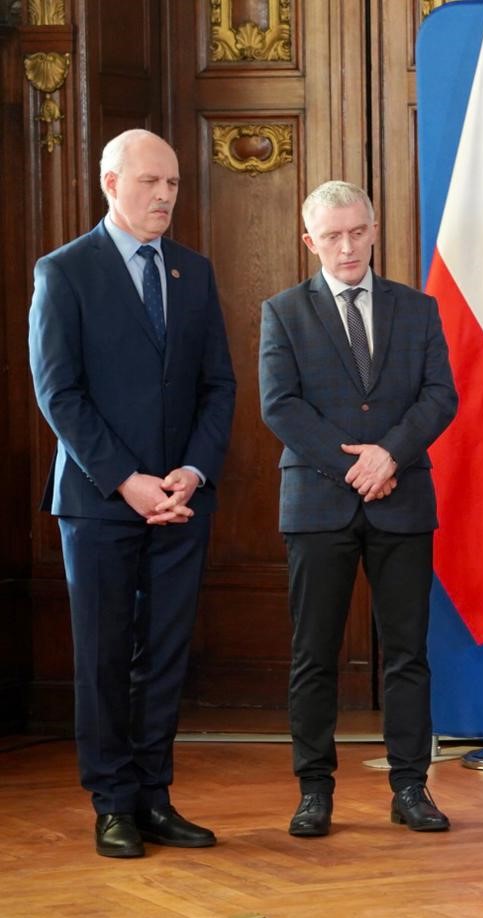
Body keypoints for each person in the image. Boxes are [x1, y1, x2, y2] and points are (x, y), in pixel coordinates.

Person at [29, 128, 237, 858]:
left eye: (172, 184)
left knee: (166, 657)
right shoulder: (64, 271)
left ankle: (154, 797)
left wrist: (192, 472)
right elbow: (59, 393)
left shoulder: (193, 272)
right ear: (110, 182)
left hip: (182, 501)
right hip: (98, 502)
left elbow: (218, 385)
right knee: (105, 656)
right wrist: (127, 480)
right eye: (150, 182)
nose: (164, 196)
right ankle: (112, 803)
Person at [259, 180, 458, 837]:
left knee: (407, 653)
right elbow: (279, 405)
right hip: (319, 502)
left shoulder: (418, 308)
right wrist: (354, 466)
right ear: (309, 241)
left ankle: (411, 787)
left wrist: (389, 455)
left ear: (373, 231)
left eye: (356, 232)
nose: (347, 247)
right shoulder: (283, 311)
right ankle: (314, 791)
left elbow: (440, 395)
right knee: (314, 655)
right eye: (332, 236)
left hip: (402, 499)